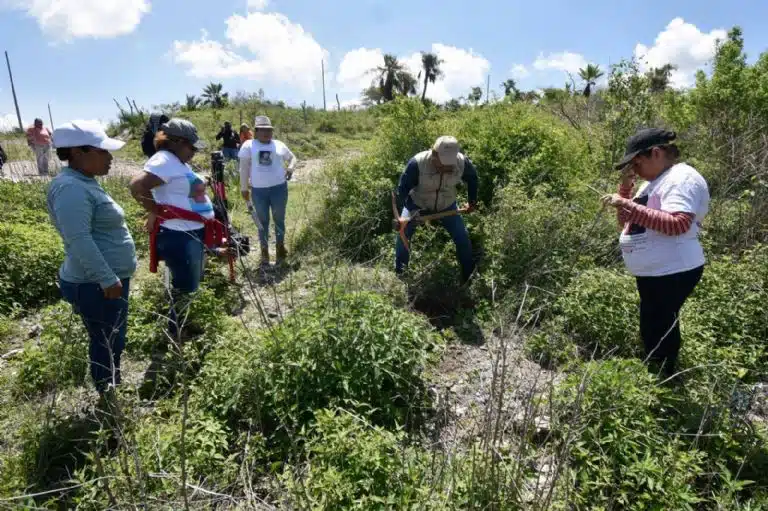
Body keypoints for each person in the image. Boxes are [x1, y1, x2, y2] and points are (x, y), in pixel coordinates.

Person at [602, 128, 710, 380]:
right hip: (657, 272)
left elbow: (677, 224)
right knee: (654, 324)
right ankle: (659, 375)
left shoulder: (682, 178)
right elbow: (626, 222)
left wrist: (625, 203)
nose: (635, 170)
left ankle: (664, 380)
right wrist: (626, 191)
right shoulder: (651, 183)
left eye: (637, 162)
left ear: (657, 153)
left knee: (659, 328)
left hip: (673, 270)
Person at [46, 120, 137, 396]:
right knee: (106, 341)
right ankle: (108, 397)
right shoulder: (71, 188)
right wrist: (107, 278)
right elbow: (79, 239)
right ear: (78, 152)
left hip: (104, 282)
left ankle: (111, 387)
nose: (110, 157)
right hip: (95, 284)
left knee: (112, 338)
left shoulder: (84, 182)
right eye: (103, 151)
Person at [129, 118, 219, 339]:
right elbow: (138, 185)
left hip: (190, 232)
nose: (194, 152)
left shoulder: (176, 162)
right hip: (180, 234)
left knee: (188, 283)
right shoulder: (165, 159)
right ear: (177, 142)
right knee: (184, 287)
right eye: (191, 147)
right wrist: (158, 211)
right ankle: (178, 334)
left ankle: (182, 326)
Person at [395, 136, 478, 284]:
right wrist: (407, 214)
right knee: (403, 236)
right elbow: (402, 190)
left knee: (462, 237)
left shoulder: (462, 162)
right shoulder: (417, 164)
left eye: (449, 164)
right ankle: (401, 277)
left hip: (447, 205)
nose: (446, 168)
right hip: (417, 204)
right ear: (434, 154)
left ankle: (469, 278)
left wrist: (472, 202)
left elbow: (473, 179)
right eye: (443, 164)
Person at [238, 115, 296, 266]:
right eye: (262, 130)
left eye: (269, 130)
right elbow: (243, 169)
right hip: (258, 191)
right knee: (262, 222)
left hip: (279, 188)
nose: (266, 133)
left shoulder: (279, 144)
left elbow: (292, 158)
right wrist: (244, 188)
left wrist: (290, 168)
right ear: (256, 131)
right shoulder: (248, 146)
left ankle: (280, 248)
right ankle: (264, 252)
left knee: (279, 219)